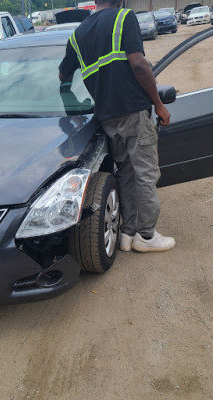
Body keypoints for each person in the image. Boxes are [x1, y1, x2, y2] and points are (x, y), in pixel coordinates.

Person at [58, 0, 175, 252]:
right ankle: (147, 236)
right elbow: (138, 64)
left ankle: (128, 233)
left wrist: (74, 106)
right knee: (146, 174)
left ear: (96, 1)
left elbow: (63, 76)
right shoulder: (124, 17)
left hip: (106, 117)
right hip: (133, 111)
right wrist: (159, 104)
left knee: (126, 173)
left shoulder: (77, 35)